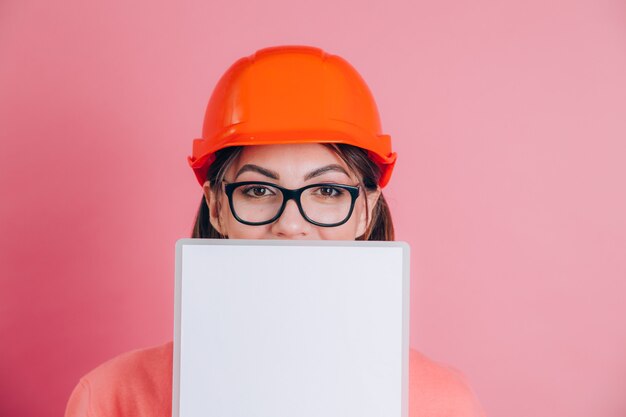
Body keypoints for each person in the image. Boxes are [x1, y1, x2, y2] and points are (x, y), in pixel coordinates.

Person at [64, 45, 486, 417]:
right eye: (259, 189)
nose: (290, 224)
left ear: (364, 212)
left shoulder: (444, 404)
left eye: (326, 190)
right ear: (216, 206)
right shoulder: (110, 398)